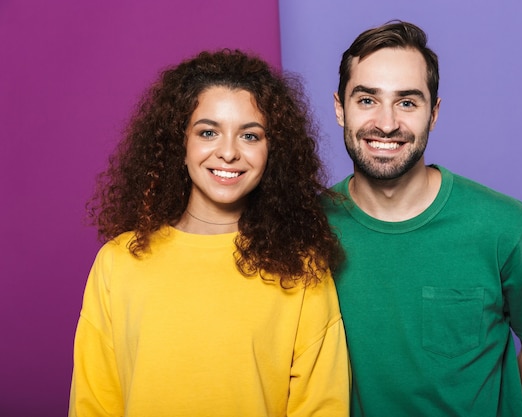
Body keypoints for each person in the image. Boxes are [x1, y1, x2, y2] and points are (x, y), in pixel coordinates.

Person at [69, 49, 350, 417]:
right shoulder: (119, 262)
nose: (229, 152)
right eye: (208, 132)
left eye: (250, 136)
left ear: (273, 153)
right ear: (179, 145)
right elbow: (93, 403)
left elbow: (321, 407)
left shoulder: (302, 268)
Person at [323, 21, 522, 417]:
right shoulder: (308, 227)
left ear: (433, 113)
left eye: (407, 102)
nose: (386, 123)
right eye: (367, 100)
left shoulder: (502, 224)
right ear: (340, 108)